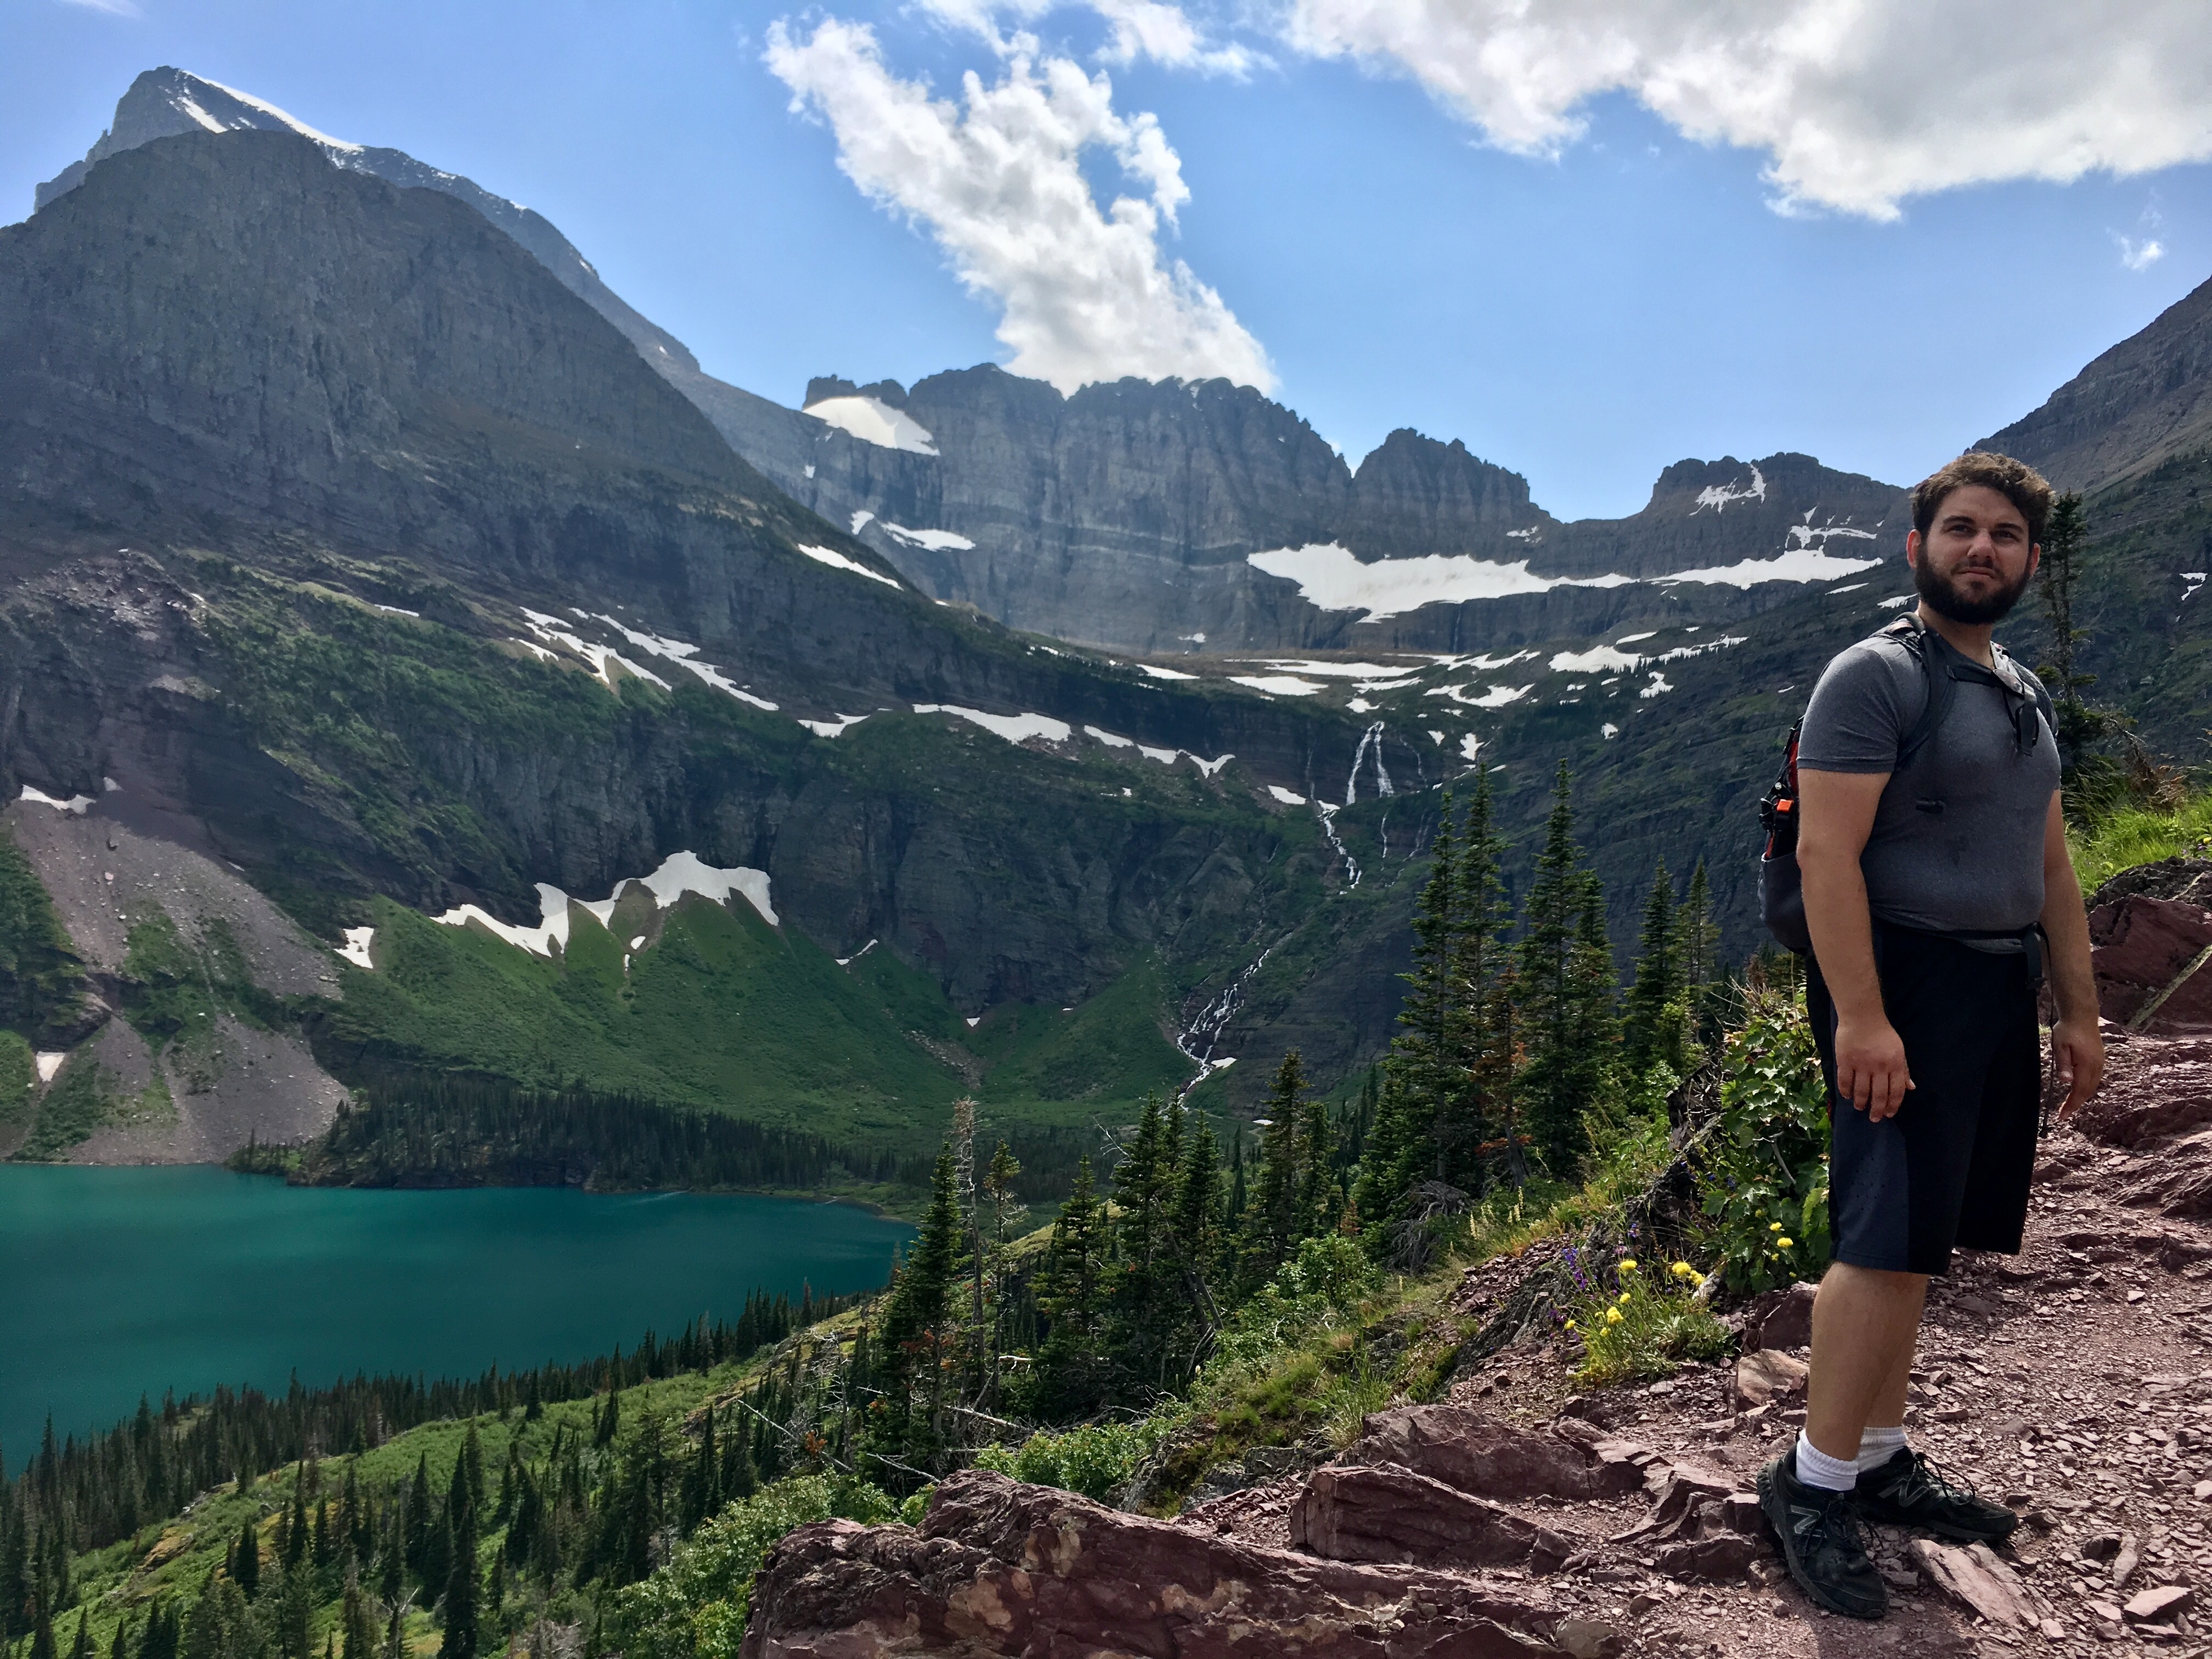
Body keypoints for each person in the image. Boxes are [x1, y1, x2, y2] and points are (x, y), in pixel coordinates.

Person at [1756, 452, 2105, 1619]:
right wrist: (1863, 1015)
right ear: (1918, 547)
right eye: (1961, 529)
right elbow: (1825, 857)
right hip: (1899, 978)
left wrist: (2081, 1010)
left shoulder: (2022, 687)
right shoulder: (1872, 678)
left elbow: (2048, 861)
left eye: (2005, 535)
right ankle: (1809, 1485)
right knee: (1881, 1232)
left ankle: (1882, 1457)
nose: (1982, 550)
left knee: (1924, 1239)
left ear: (2030, 559)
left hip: (1994, 986)